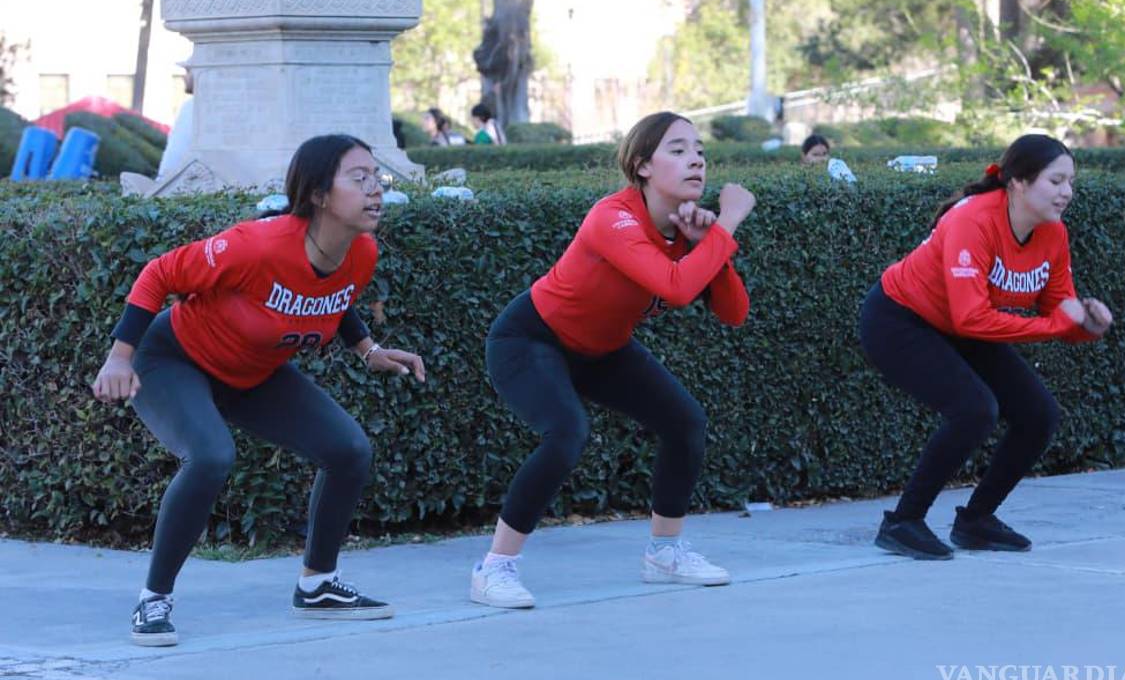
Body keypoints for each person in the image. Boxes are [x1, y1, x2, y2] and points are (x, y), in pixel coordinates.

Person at [92, 134, 427, 646]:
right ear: (318, 194)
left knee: (348, 450)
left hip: (252, 373)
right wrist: (120, 356)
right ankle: (153, 599)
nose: (374, 188)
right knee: (210, 456)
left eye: (376, 176)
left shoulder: (361, 252)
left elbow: (332, 296)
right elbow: (159, 273)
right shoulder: (257, 245)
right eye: (358, 178)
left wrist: (368, 349)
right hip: (174, 359)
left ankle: (318, 585)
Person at [471, 111, 757, 608]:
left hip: (603, 348)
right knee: (567, 432)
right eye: (678, 150)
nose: (696, 160)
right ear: (643, 166)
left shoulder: (685, 230)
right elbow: (675, 287)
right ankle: (494, 568)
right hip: (531, 339)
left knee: (685, 422)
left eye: (700, 151)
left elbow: (734, 313)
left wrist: (706, 245)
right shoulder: (613, 217)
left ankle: (664, 554)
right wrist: (728, 222)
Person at [858, 134, 1113, 561]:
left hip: (960, 323)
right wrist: (1058, 323)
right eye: (1055, 181)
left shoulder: (1053, 233)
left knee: (1038, 415)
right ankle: (902, 522)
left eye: (1071, 182)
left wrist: (1087, 326)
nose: (1067, 192)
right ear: (1018, 182)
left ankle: (976, 521)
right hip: (899, 319)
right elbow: (971, 318)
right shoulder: (973, 220)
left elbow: (1059, 312)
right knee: (974, 409)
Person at [157, 65, 195, 179]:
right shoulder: (192, 105)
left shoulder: (192, 106)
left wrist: (162, 180)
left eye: (188, 71)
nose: (184, 77)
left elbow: (177, 152)